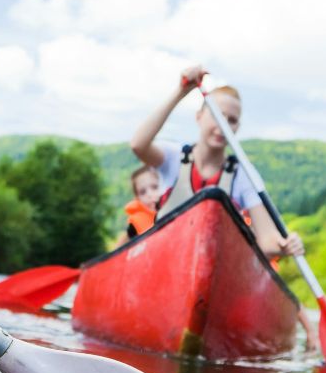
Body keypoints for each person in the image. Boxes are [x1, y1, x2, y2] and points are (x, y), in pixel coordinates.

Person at [128, 64, 302, 258]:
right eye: (217, 115)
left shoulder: (243, 174)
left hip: (213, 265)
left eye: (232, 120)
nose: (223, 125)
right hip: (165, 261)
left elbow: (267, 239)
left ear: (237, 127)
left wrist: (285, 245)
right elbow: (138, 144)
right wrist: (181, 91)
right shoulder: (173, 157)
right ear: (199, 117)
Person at [114, 164, 163, 246]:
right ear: (137, 198)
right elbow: (119, 249)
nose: (149, 194)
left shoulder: (173, 205)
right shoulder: (135, 224)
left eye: (154, 187)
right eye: (143, 192)